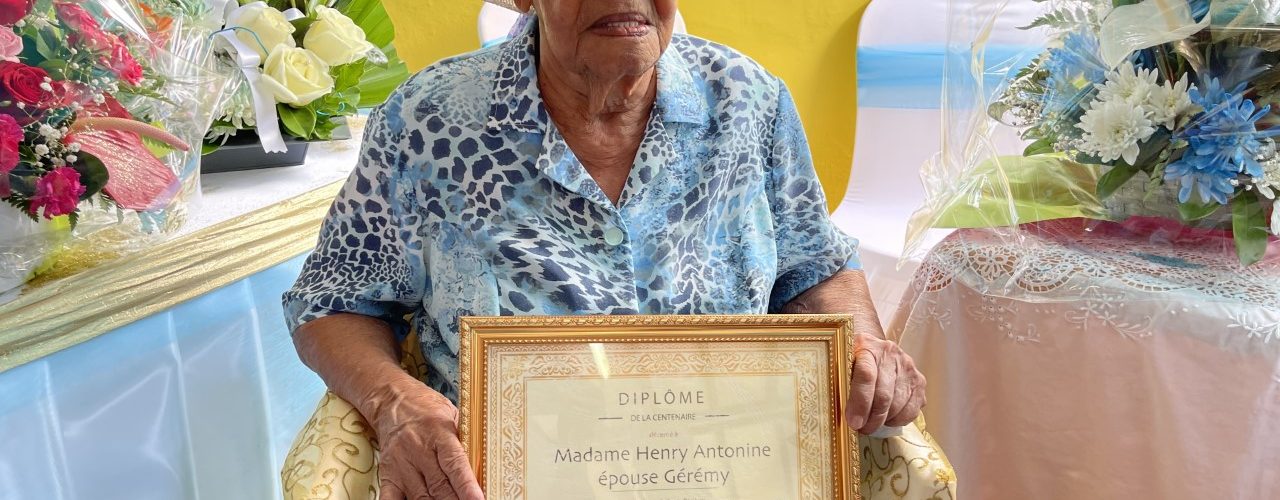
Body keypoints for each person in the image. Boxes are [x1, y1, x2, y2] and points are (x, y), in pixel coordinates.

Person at [283, 1, 927, 498]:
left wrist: (868, 347)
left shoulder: (747, 100)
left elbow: (814, 267)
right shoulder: (429, 120)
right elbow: (333, 300)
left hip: (732, 470)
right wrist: (394, 401)